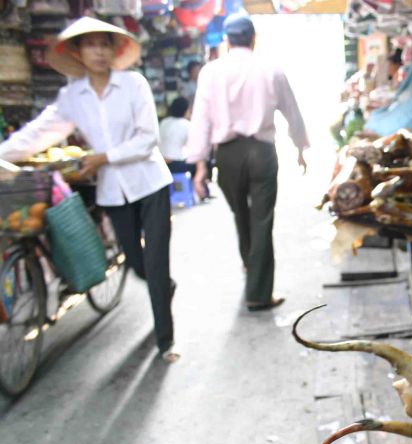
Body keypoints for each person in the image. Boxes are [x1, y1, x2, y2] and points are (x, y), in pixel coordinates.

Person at [0, 17, 180, 363]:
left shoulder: (133, 84)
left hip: (150, 182)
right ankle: (163, 288)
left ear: (115, 49)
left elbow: (147, 140)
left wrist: (104, 158)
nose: (98, 51)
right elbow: (40, 133)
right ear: (78, 52)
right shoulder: (73, 96)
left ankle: (165, 341)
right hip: (114, 191)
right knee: (137, 262)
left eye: (104, 43)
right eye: (90, 44)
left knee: (156, 262)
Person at [186, 11, 308, 312]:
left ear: (227, 41)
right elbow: (292, 112)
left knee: (241, 214)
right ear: (254, 38)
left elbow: (201, 120)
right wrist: (300, 147)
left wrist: (199, 164)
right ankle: (258, 292)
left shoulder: (211, 72)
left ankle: (249, 266)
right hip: (262, 152)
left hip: (227, 155)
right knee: (262, 220)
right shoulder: (271, 69)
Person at [159, 97, 193, 174]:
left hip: (162, 162)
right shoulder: (187, 125)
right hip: (176, 163)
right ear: (185, 110)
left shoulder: (164, 122)